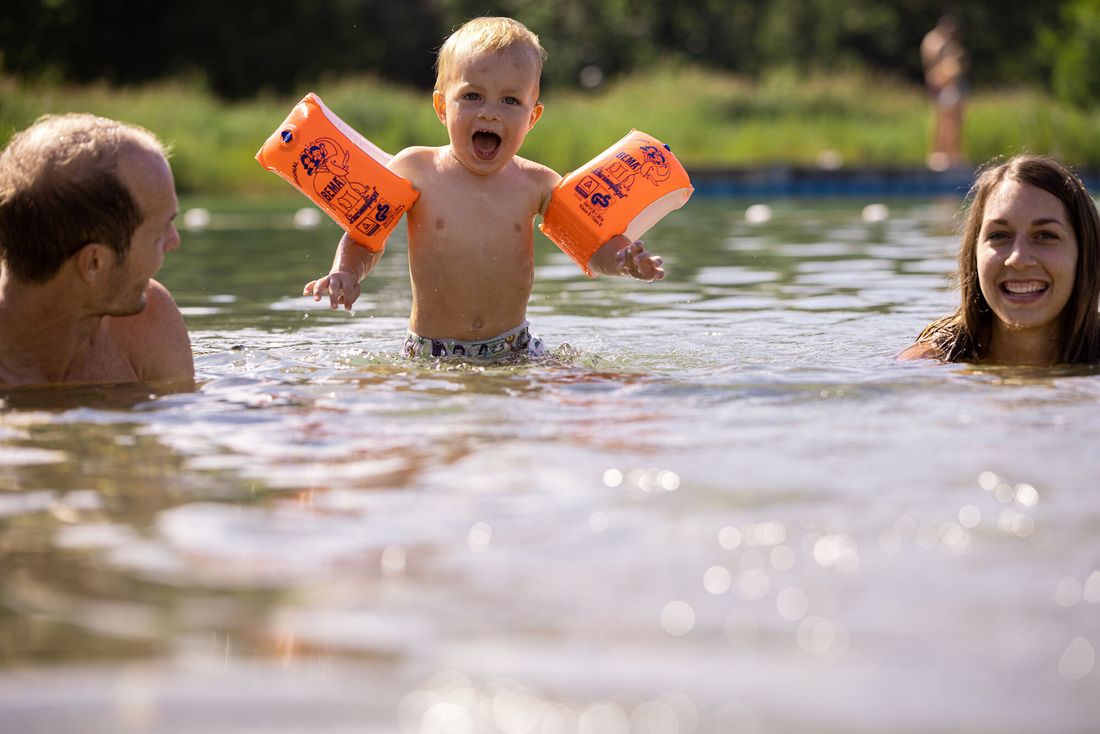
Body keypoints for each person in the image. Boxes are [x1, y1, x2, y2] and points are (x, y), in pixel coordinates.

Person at [303, 17, 665, 360]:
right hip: (432, 352)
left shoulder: (537, 183)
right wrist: (345, 271)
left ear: (532, 117)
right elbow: (365, 236)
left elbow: (593, 246)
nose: (490, 112)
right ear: (442, 106)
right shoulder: (416, 170)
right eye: (472, 96)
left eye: (510, 101)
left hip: (516, 351)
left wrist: (626, 263)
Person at [0, 113, 194, 387]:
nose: (174, 241)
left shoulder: (148, 322)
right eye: (159, 232)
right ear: (93, 263)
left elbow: (188, 420)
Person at [900, 154, 1100, 366]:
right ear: (974, 254)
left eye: (1045, 235)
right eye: (999, 235)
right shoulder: (927, 364)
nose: (1018, 259)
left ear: (1085, 253)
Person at [921, 15, 969, 171]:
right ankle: (938, 154)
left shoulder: (943, 43)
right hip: (942, 85)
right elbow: (936, 68)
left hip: (949, 86)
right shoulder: (935, 41)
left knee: (953, 122)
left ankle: (951, 154)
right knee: (942, 121)